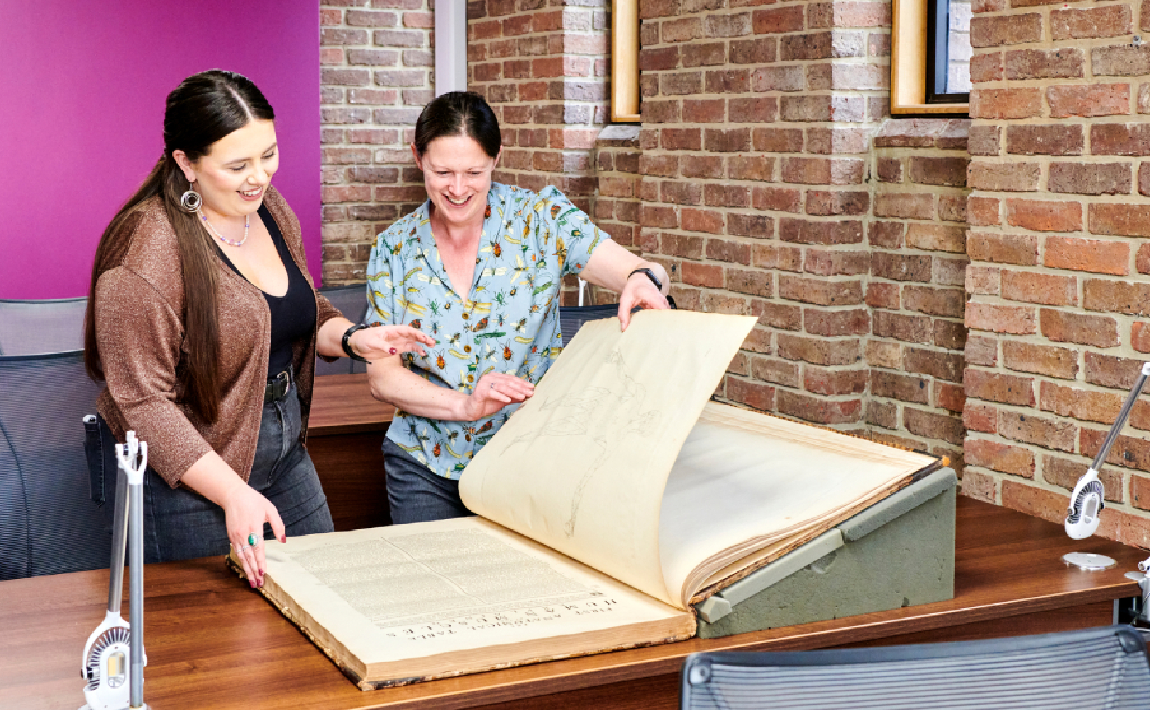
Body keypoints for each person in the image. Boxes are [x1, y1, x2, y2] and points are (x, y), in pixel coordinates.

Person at [84, 70, 433, 587]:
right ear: (186, 162)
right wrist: (231, 493)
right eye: (238, 164)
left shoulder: (268, 211)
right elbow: (141, 402)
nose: (259, 176)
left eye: (268, 154)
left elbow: (294, 308)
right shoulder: (147, 251)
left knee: (331, 597)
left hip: (283, 452)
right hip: (190, 474)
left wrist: (355, 338)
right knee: (224, 647)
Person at [364, 90, 673, 525]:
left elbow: (644, 270)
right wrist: (466, 406)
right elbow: (383, 377)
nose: (456, 189)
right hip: (424, 465)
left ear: (496, 158)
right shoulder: (392, 250)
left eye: (473, 171)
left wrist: (644, 280)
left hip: (530, 459)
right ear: (418, 158)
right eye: (442, 172)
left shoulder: (541, 219)